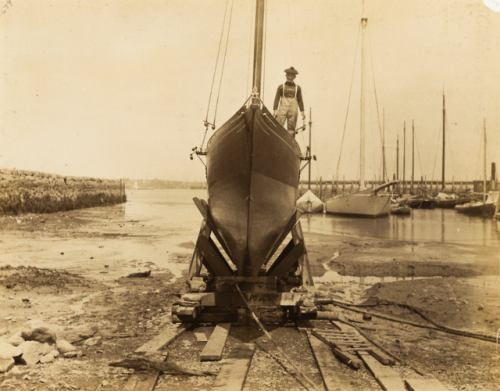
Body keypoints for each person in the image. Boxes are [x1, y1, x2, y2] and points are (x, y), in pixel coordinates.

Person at [273, 66, 305, 137]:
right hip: (282, 108)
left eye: (292, 75)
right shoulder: (281, 87)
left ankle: (290, 142)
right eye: (288, 75)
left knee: (291, 128)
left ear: (294, 77)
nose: (290, 77)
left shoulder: (298, 88)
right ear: (286, 75)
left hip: (293, 109)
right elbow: (277, 98)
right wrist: (275, 109)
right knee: (278, 125)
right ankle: (278, 141)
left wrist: (302, 111)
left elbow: (300, 100)